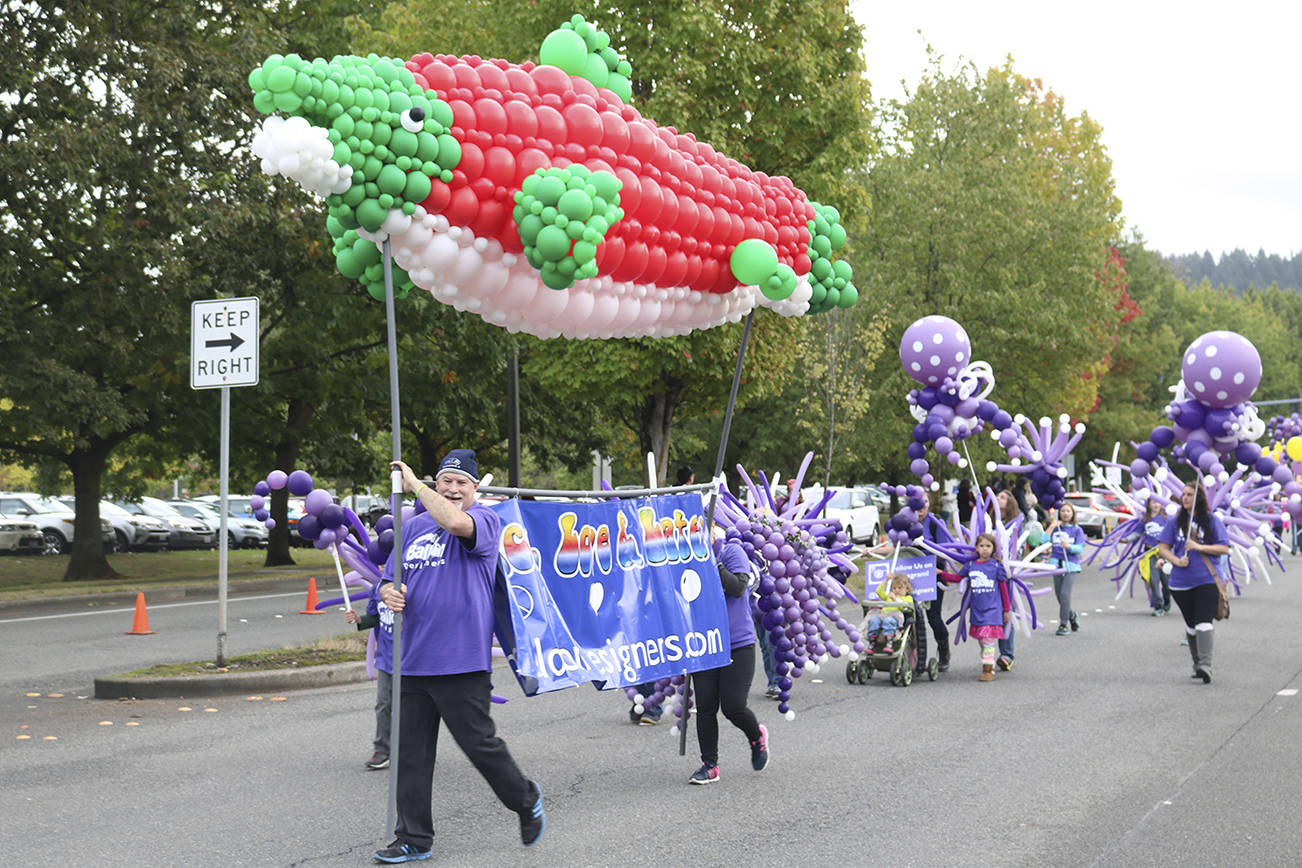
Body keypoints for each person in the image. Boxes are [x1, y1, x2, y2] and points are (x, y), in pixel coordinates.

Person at [374, 452, 544, 864]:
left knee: (479, 744)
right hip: (411, 661)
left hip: (460, 661)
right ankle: (413, 837)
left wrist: (417, 485)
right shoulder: (412, 528)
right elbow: (386, 579)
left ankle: (525, 799)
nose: (451, 490)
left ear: (475, 489)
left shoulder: (485, 522)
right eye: (446, 481)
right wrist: (387, 593)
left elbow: (454, 522)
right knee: (410, 754)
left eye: (460, 484)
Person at [688, 527, 769, 784]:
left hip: (737, 643)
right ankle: (709, 764)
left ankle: (756, 736)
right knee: (706, 706)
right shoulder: (683, 558)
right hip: (704, 644)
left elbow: (737, 588)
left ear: (711, 529)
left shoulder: (730, 551)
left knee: (733, 706)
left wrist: (709, 561)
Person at [629, 466, 696, 724]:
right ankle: (646, 707)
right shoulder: (641, 536)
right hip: (643, 603)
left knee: (649, 653)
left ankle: (647, 707)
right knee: (645, 653)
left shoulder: (662, 532)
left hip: (654, 602)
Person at [1157, 481, 1230, 683]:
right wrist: (1176, 560)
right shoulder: (1176, 521)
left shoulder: (1212, 520)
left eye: (1189, 494)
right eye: (1183, 494)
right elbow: (1163, 548)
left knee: (1203, 621)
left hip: (1207, 579)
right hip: (1180, 583)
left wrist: (1200, 547)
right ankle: (1197, 664)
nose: (1185, 497)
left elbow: (1224, 548)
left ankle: (1206, 665)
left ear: (1198, 498)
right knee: (1191, 625)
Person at [344, 580, 394, 770]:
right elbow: (375, 617)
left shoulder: (413, 580)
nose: (382, 562)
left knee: (413, 707)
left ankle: (414, 749)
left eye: (386, 556)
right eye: (379, 558)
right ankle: (382, 751)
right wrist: (359, 619)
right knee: (383, 704)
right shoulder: (377, 588)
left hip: (412, 660)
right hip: (386, 658)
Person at [959, 532, 1011, 682]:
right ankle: (990, 663)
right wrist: (941, 574)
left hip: (993, 610)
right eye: (981, 546)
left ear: (993, 548)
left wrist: (1006, 610)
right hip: (977, 610)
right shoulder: (970, 565)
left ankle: (988, 670)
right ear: (976, 548)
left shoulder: (996, 566)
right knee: (982, 640)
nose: (985, 549)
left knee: (988, 639)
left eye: (988, 546)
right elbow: (958, 577)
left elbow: (1003, 589)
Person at [1047, 501, 1087, 636]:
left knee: (1065, 595)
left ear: (1072, 514)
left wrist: (1069, 547)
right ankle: (1072, 615)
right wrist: (1051, 527)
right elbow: (1042, 541)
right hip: (1056, 565)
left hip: (1071, 566)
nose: (1065, 513)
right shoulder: (1055, 528)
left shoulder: (1077, 530)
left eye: (1068, 511)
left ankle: (1063, 624)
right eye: (1063, 511)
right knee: (1060, 597)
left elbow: (1080, 548)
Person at [992, 489, 1021, 669]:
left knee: (1006, 612)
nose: (997, 499)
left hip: (1007, 576)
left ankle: (1006, 654)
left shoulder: (1015, 524)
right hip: (989, 574)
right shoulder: (989, 521)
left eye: (1002, 497)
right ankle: (988, 651)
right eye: (997, 496)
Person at [1138, 498, 1171, 616]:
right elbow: (1137, 533)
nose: (1156, 505)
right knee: (1153, 580)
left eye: (1158, 502)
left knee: (1166, 582)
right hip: (1150, 553)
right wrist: (1123, 539)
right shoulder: (1145, 519)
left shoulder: (1167, 518)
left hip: (1165, 553)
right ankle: (1158, 606)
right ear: (1148, 504)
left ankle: (1167, 601)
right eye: (1153, 502)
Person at [865, 572, 914, 648]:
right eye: (894, 588)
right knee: (874, 620)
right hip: (883, 617)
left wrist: (895, 600)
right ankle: (872, 641)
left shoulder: (908, 598)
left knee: (889, 620)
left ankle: (889, 642)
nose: (896, 590)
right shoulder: (888, 597)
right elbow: (879, 591)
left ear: (907, 589)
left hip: (895, 619)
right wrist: (886, 580)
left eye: (899, 588)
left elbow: (905, 608)